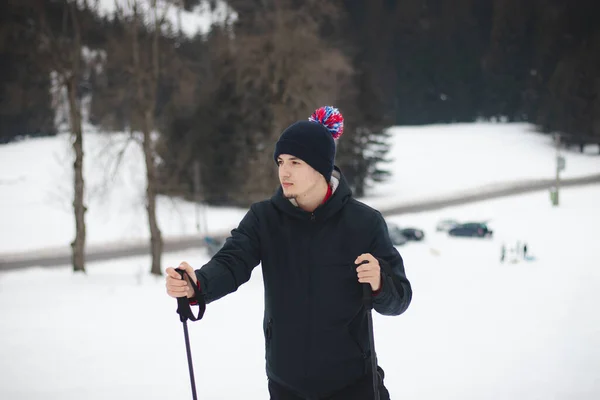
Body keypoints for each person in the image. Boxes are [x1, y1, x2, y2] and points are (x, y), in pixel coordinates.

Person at [165, 106, 412, 400]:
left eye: (295, 162)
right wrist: (198, 284)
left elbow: (400, 298)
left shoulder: (364, 223)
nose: (284, 171)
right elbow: (232, 262)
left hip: (354, 386)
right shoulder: (264, 218)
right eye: (281, 161)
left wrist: (380, 282)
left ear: (320, 167)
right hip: (287, 387)